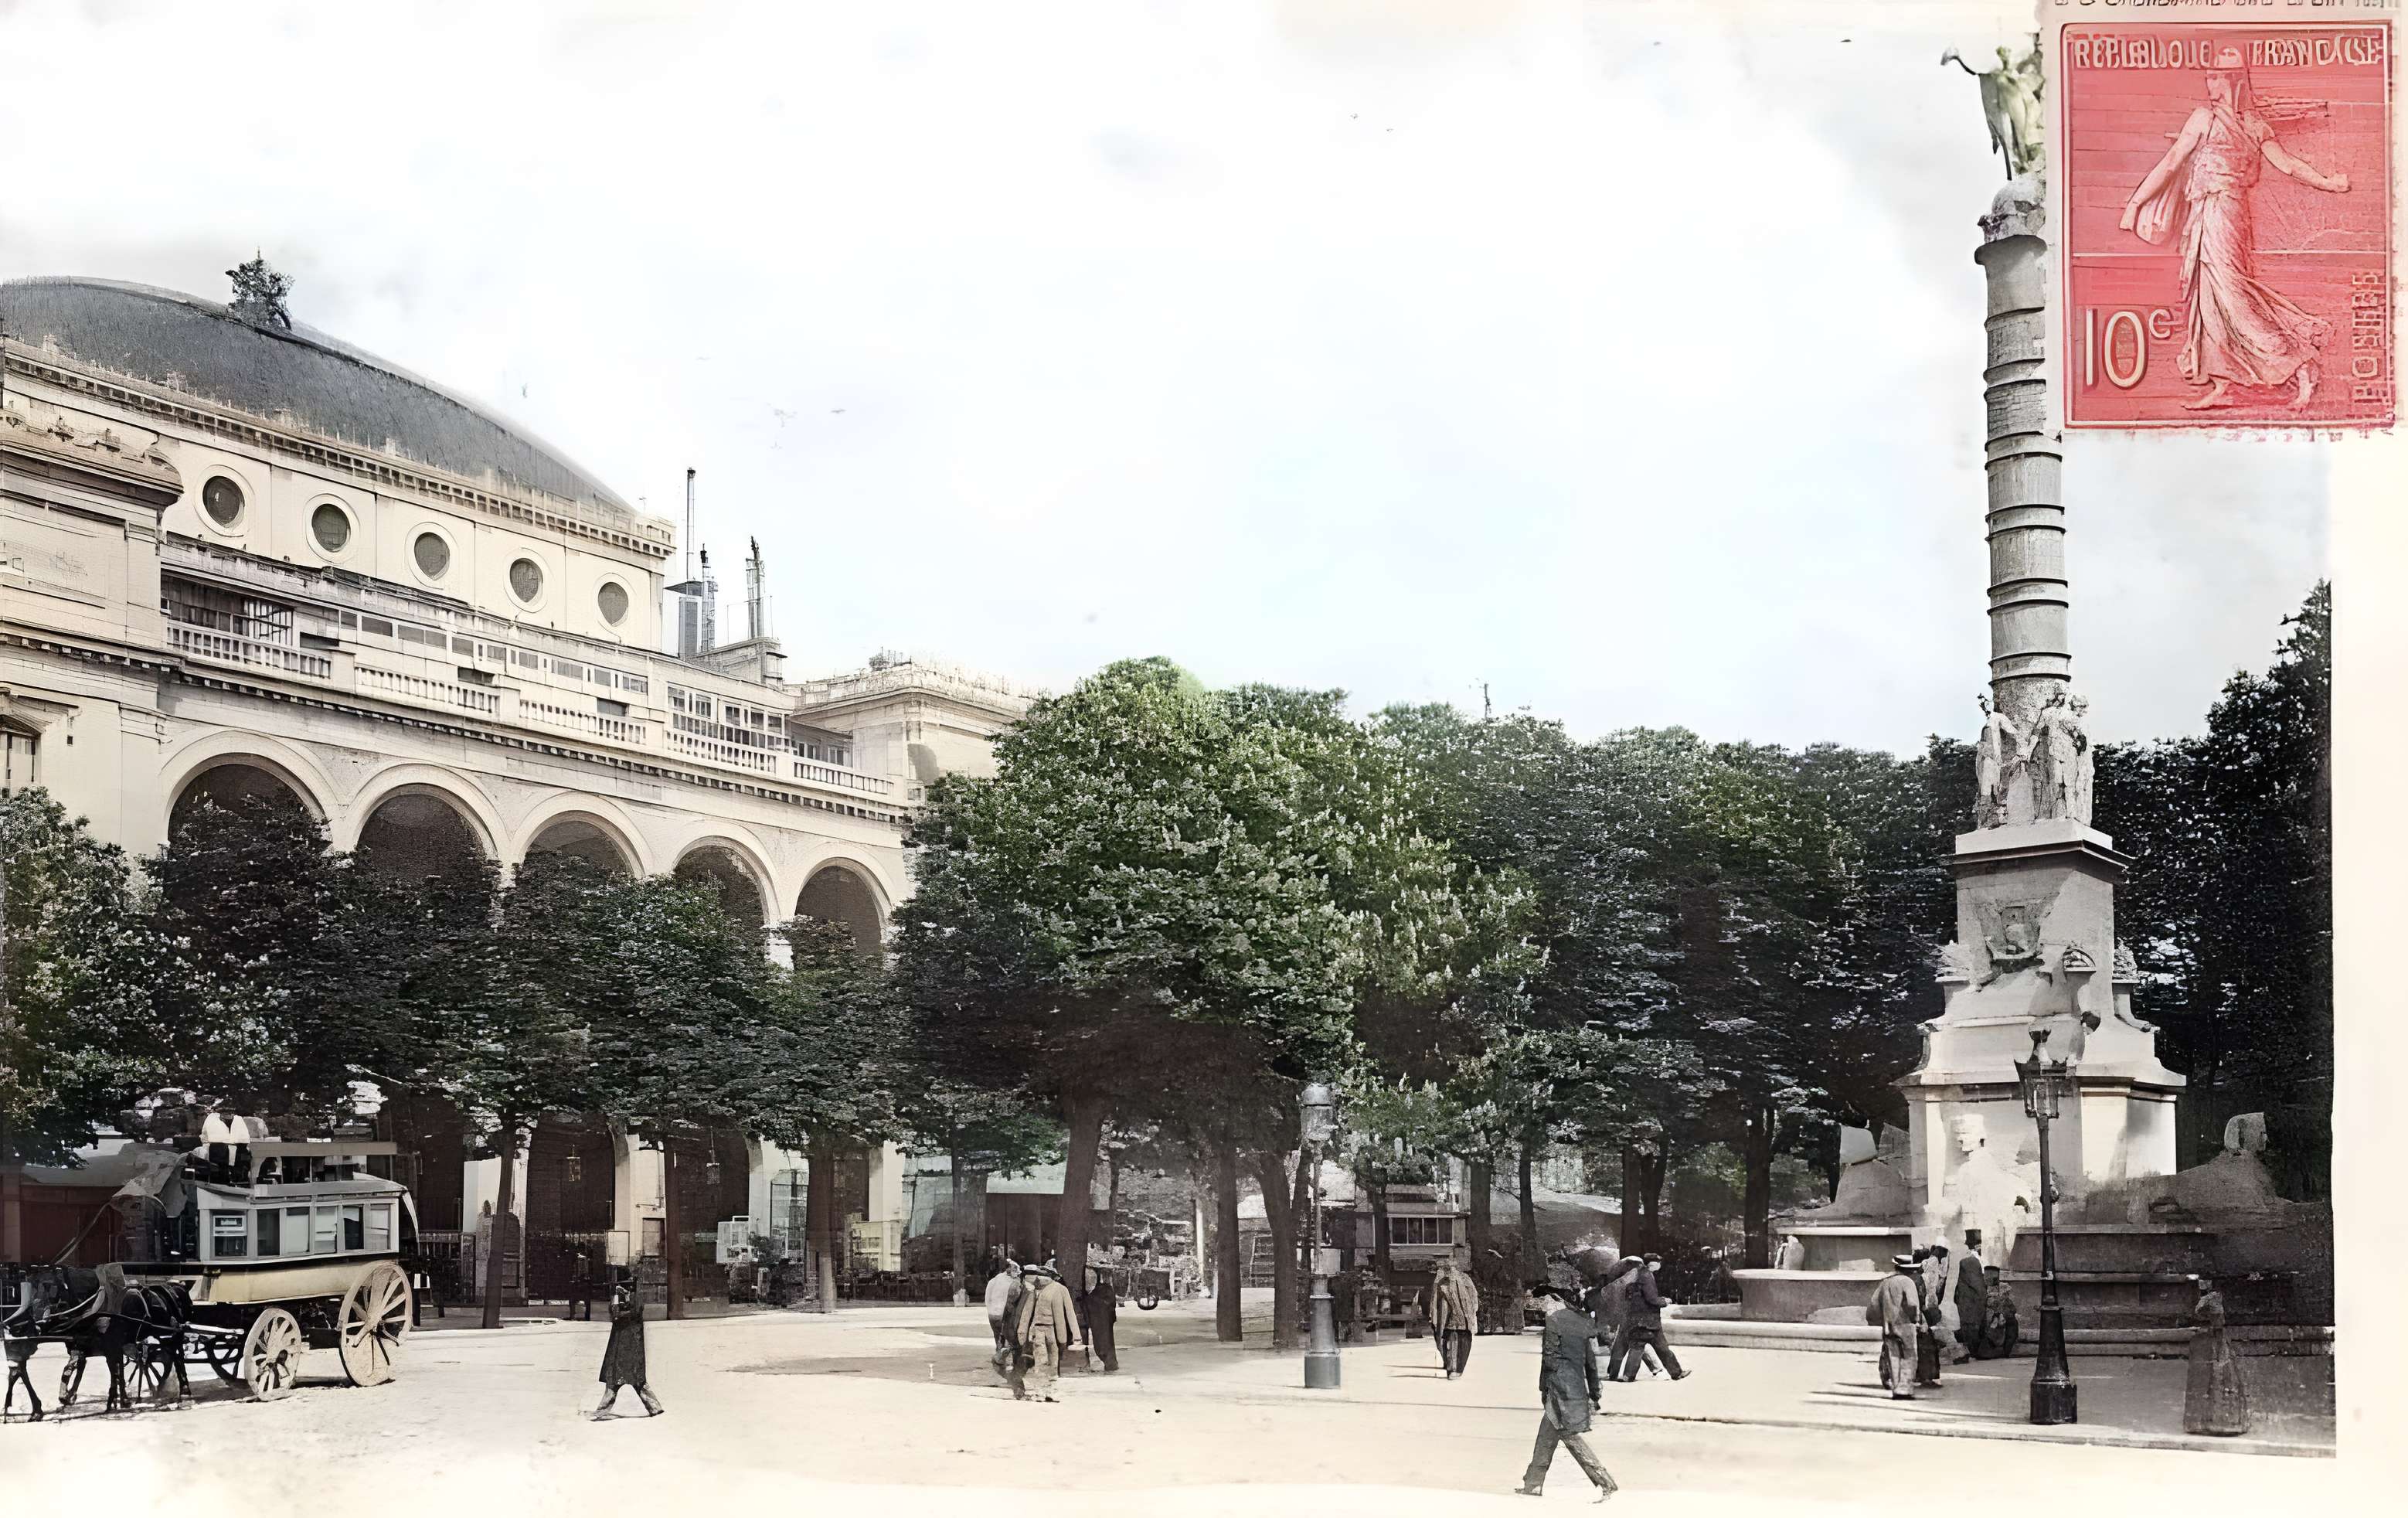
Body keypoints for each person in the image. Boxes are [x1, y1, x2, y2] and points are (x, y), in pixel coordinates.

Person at [2120, 47, 2354, 412]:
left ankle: (2299, 363)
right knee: (2209, 297)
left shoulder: (2239, 123)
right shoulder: (2212, 119)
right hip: (2208, 213)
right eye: (2209, 76)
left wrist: (2328, 183)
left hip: (2224, 214)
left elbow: (2287, 165)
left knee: (2232, 295)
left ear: (2233, 81)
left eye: (2216, 76)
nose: (2209, 82)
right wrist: (2135, 202)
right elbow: (2170, 164)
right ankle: (2225, 381)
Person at [1515, 1282, 1617, 1502]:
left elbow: (1549, 1360)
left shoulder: (1554, 1322)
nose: (1543, 1306)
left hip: (1559, 1390)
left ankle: (1605, 1482)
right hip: (1576, 1388)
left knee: (1570, 1438)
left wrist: (1544, 1388)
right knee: (1546, 1435)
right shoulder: (1581, 1323)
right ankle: (1533, 1483)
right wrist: (1595, 1393)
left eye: (1545, 1301)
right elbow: (1591, 1364)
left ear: (1556, 1300)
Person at [2183, 1275, 2250, 1436]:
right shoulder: (2211, 1299)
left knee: (2221, 1375)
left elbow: (2202, 1313)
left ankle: (2223, 1419)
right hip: (2214, 1336)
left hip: (2217, 1337)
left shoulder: (2212, 1298)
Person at [593, 1269, 662, 1419]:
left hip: (630, 1342)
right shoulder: (622, 1297)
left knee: (632, 1379)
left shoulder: (635, 1298)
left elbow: (622, 1314)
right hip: (621, 1342)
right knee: (619, 1380)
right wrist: (617, 1298)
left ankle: (603, 1410)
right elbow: (614, 1312)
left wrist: (620, 1301)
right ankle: (654, 1407)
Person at [1614, 1254, 1688, 1383]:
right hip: (1649, 1321)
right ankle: (1677, 1373)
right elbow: (1651, 1299)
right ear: (1653, 1264)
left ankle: (1628, 1376)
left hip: (1636, 1319)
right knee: (1662, 1348)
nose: (1660, 1265)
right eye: (1659, 1262)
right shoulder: (1647, 1276)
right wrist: (1665, 1301)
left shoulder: (1635, 1275)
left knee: (1637, 1347)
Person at [1013, 1263, 1078, 1402]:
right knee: (1043, 1362)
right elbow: (1026, 1314)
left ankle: (1047, 1392)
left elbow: (1069, 1313)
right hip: (1041, 1332)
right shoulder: (1036, 1292)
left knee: (1051, 1363)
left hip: (1050, 1331)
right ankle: (1042, 1392)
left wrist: (1076, 1336)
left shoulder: (1057, 1290)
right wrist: (1022, 1332)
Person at [1867, 1254, 1923, 1400]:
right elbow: (1912, 1304)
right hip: (1905, 1324)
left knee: (1893, 1356)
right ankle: (1905, 1389)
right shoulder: (1908, 1282)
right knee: (1909, 1355)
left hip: (1889, 1325)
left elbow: (1873, 1305)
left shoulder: (1885, 1283)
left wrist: (1881, 1321)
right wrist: (1916, 1320)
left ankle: (1896, 1387)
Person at [1431, 1249, 1481, 1379]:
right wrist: (1436, 1318)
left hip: (1465, 1320)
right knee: (1451, 1343)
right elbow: (1437, 1302)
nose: (1449, 1269)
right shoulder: (1442, 1284)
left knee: (1464, 1344)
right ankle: (1452, 1368)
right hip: (1451, 1320)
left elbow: (1474, 1297)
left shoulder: (1465, 1279)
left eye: (1451, 1266)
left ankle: (1458, 1368)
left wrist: (1472, 1315)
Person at [1951, 1232, 1988, 1363]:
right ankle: (1974, 1351)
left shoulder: (1966, 1260)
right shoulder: (1971, 1261)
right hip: (1971, 1300)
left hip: (1967, 1300)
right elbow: (1977, 1284)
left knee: (1970, 1325)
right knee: (1973, 1326)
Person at [984, 1260, 1023, 1380]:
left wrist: (991, 1310)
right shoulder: (1014, 1283)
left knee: (998, 1339)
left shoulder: (993, 1281)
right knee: (1009, 1340)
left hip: (992, 1315)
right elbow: (1015, 1301)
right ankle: (1008, 1366)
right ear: (1012, 1271)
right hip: (1004, 1315)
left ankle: (1000, 1362)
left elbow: (987, 1299)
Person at [1910, 1248, 1944, 1387]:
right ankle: (1927, 1376)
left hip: (1907, 1316)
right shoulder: (1920, 1280)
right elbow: (1922, 1303)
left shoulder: (1908, 1278)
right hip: (1918, 1316)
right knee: (1926, 1345)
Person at [1973, 1265, 2020, 1360]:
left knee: (2012, 1324)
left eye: (1993, 1276)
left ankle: (2005, 1350)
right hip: (1987, 1319)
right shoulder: (1980, 1289)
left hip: (2002, 1319)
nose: (1990, 1279)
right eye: (1988, 1276)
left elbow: (2012, 1309)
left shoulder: (2003, 1290)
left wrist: (2002, 1314)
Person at [1083, 1265, 1120, 1373]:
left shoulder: (1104, 1291)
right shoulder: (1105, 1290)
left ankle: (1110, 1362)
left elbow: (1107, 1304)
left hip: (1102, 1318)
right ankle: (1110, 1362)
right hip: (1102, 1318)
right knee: (1104, 1341)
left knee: (1103, 1342)